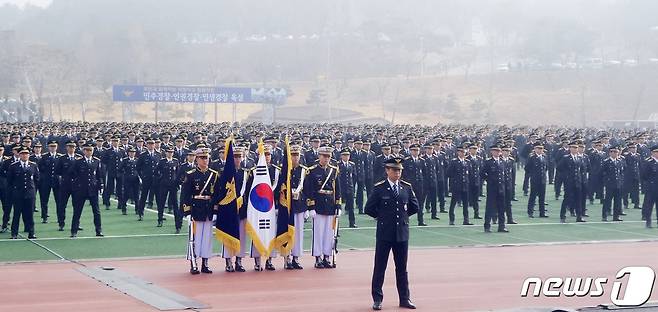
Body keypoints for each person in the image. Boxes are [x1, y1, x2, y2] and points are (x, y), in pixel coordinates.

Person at [364, 157, 419, 310]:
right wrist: (382, 217)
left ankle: (404, 298)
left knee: (402, 268)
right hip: (384, 233)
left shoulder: (406, 187)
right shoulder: (379, 188)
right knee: (380, 267)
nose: (397, 173)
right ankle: (377, 299)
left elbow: (415, 207)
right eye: (394, 170)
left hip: (401, 233)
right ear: (387, 170)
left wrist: (402, 217)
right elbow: (368, 208)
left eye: (399, 170)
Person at [181, 147, 219, 274]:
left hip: (208, 209)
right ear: (197, 159)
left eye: (207, 158)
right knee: (195, 238)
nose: (205, 160)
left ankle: (205, 263)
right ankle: (193, 263)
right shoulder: (191, 175)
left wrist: (215, 211)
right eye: (202, 158)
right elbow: (185, 194)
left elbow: (216, 195)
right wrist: (187, 211)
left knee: (207, 238)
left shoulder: (213, 175)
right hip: (196, 209)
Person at [304, 144, 341, 269]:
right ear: (319, 156)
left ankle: (327, 256)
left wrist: (338, 205)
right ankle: (318, 257)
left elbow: (338, 189)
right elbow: (309, 190)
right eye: (324, 156)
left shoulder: (334, 170)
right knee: (318, 233)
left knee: (329, 234)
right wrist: (311, 207)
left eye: (328, 157)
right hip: (318, 205)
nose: (326, 159)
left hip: (330, 205)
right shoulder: (312, 170)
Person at [70, 143, 105, 238]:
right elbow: (73, 174)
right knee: (77, 211)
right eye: (87, 150)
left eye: (91, 150)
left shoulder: (96, 161)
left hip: (93, 189)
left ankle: (98, 230)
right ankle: (74, 231)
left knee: (96, 211)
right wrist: (76, 185)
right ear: (84, 151)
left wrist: (100, 186)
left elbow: (99, 175)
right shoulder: (78, 162)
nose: (89, 152)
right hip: (81, 189)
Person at [8, 147, 39, 239]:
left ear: (29, 155)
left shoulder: (33, 165)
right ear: (19, 155)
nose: (25, 155)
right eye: (22, 153)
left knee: (30, 214)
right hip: (18, 194)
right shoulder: (13, 166)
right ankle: (14, 233)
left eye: (26, 153)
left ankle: (31, 232)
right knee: (17, 214)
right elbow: (10, 181)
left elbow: (37, 179)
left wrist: (32, 190)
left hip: (30, 194)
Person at [482, 144, 508, 233]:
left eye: (498, 151)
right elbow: (482, 173)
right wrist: (489, 180)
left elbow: (504, 175)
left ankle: (502, 226)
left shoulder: (502, 162)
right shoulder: (488, 162)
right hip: (492, 188)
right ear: (492, 152)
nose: (497, 153)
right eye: (495, 151)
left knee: (501, 208)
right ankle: (487, 226)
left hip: (501, 188)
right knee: (490, 207)